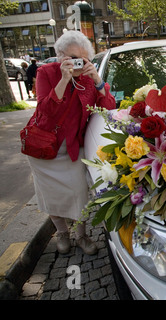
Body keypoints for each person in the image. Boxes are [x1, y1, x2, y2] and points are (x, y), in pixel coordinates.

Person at [25, 30, 116, 255]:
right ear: (60, 56)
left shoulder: (88, 79)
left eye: (83, 59)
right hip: (45, 148)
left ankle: (81, 235)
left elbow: (109, 109)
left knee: (79, 195)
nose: (78, 63)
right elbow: (46, 110)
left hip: (75, 147)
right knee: (51, 195)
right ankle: (62, 233)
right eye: (73, 57)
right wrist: (64, 80)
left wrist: (97, 80)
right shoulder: (46, 72)